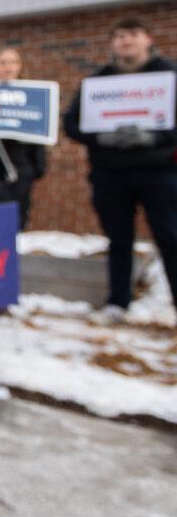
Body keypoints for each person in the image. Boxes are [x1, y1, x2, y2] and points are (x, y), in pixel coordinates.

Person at [63, 17, 177, 325]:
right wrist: (100, 137)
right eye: (120, 36)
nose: (126, 41)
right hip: (110, 173)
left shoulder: (168, 74)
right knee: (118, 240)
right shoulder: (98, 80)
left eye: (132, 34)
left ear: (147, 38)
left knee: (170, 236)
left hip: (160, 172)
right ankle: (118, 301)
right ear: (112, 43)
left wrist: (156, 137)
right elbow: (71, 123)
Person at [0, 46, 47, 228]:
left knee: (14, 228)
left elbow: (39, 139)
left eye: (14, 62)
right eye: (3, 63)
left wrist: (36, 168)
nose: (8, 68)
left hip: (20, 177)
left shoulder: (33, 99)